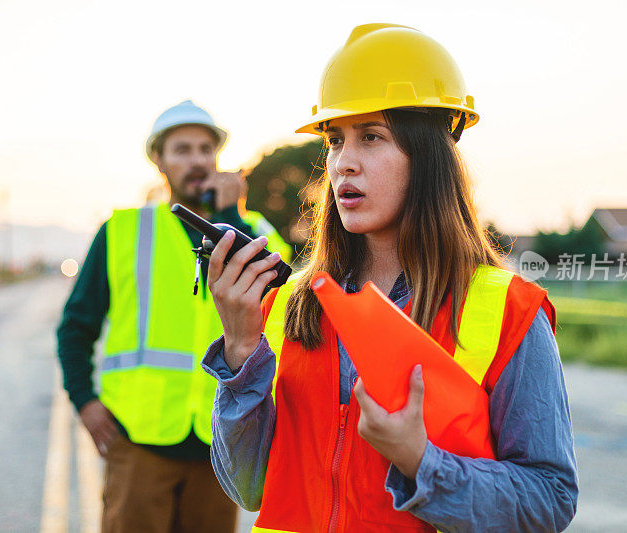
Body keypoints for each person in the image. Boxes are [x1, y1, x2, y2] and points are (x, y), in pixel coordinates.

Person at [202, 24, 578, 533]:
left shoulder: (508, 311)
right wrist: (241, 350)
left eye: (372, 137)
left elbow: (548, 503)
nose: (343, 164)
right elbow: (249, 488)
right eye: (335, 142)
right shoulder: (291, 304)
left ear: (429, 158)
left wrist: (421, 464)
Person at [56, 99, 291, 533]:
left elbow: (279, 300)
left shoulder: (256, 232)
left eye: (206, 149)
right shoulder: (123, 231)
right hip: (140, 439)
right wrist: (84, 402)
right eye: (182, 150)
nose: (197, 160)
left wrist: (227, 217)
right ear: (159, 161)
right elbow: (75, 327)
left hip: (220, 442)